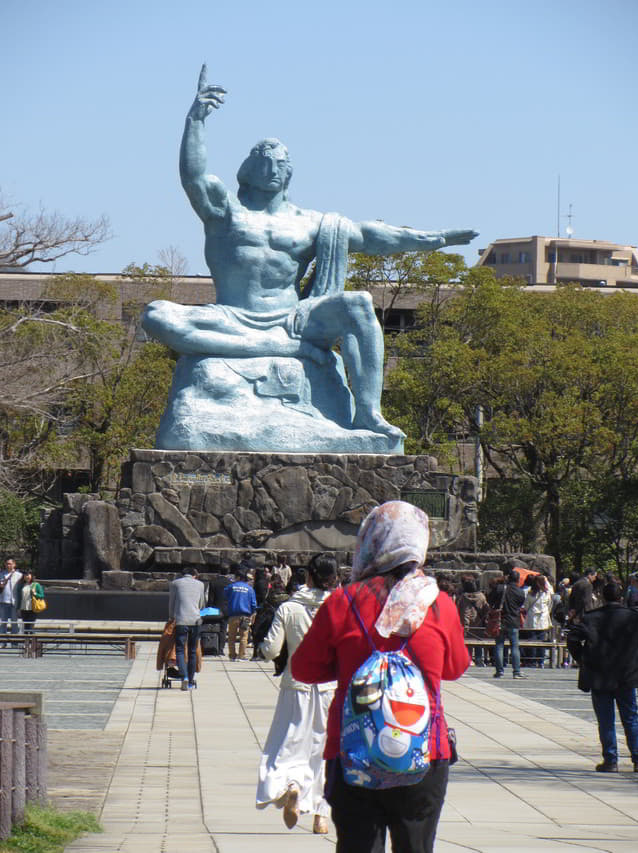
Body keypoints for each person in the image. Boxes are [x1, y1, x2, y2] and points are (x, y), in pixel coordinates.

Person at [142, 66, 477, 443]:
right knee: (156, 315)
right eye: (264, 161)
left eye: (280, 164)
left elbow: (371, 235)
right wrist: (196, 121)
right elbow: (195, 177)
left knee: (359, 304)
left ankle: (368, 413)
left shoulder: (311, 222)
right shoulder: (225, 212)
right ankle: (281, 349)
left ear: (289, 173)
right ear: (248, 169)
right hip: (231, 317)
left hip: (294, 320)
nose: (272, 168)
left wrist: (435, 239)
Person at [291, 501, 469, 853]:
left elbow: (304, 668)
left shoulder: (342, 602)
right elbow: (455, 668)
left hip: (353, 749)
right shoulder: (438, 604)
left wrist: (346, 668)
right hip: (424, 750)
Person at [256, 554, 338, 834]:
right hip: (330, 689)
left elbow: (270, 649)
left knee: (286, 746)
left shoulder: (288, 608)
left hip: (296, 686)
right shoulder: (338, 607)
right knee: (324, 751)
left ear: (308, 576)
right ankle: (321, 816)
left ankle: (291, 785)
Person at [567, 581, 638, 772]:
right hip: (626, 673)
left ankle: (611, 759)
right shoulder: (633, 618)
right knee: (631, 718)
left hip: (600, 674)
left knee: (605, 719)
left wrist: (582, 658)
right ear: (621, 597)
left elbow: (572, 638)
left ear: (602, 597)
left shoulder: (592, 618)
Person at [169, 567, 206, 690]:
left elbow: (172, 602)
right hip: (195, 621)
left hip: (180, 620)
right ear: (194, 575)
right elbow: (201, 604)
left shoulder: (175, 584)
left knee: (179, 649)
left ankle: (183, 676)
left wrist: (171, 617)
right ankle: (190, 681)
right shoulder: (200, 585)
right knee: (192, 651)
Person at [488, 569, 526, 679]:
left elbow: (490, 600)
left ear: (508, 578)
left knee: (499, 646)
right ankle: (516, 671)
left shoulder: (500, 588)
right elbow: (520, 604)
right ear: (518, 579)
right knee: (514, 646)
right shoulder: (520, 591)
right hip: (513, 620)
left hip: (500, 620)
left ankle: (499, 671)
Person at [224, 569, 257, 661]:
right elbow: (253, 603)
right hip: (245, 615)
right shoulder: (250, 589)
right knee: (244, 636)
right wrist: (253, 612)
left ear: (238, 577)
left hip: (233, 614)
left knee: (231, 636)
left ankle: (232, 655)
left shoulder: (230, 587)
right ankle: (241, 655)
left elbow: (225, 595)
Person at [456, 575, 488, 667]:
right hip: (479, 621)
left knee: (467, 642)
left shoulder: (462, 597)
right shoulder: (481, 596)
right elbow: (486, 608)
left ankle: (469, 659)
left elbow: (458, 608)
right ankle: (478, 659)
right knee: (478, 641)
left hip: (465, 622)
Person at [522, 574, 553, 668]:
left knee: (532, 640)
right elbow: (550, 605)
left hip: (532, 617)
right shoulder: (547, 593)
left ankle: (531, 660)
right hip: (543, 618)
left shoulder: (530, 593)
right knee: (542, 640)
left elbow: (526, 606)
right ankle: (541, 660)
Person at [0, 558, 23, 642]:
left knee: (14, 622)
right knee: (3, 622)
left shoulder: (19, 575)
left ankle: (15, 641)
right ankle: (2, 641)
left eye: (10, 563)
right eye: (7, 563)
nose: (8, 565)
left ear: (14, 564)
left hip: (14, 601)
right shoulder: (1, 574)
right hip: (3, 601)